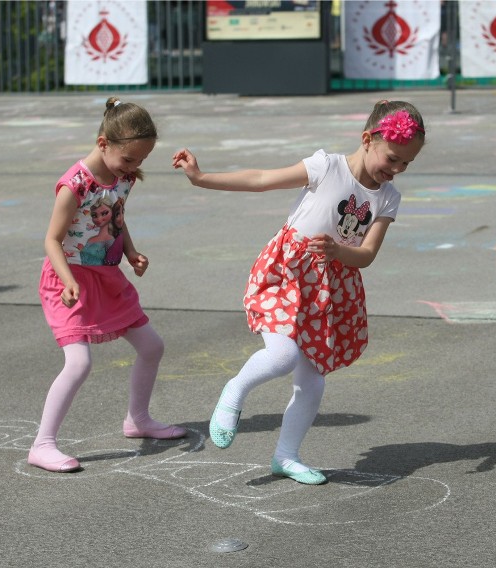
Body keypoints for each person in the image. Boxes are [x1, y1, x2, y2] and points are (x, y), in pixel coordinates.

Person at [172, 100, 426, 485]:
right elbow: (261, 178)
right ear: (367, 140)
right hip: (288, 275)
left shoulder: (388, 197)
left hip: (330, 288)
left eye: (406, 164)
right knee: (283, 353)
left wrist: (340, 252)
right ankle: (235, 389)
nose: (396, 169)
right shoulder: (327, 167)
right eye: (392, 159)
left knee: (314, 380)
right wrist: (201, 177)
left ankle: (286, 456)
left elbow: (368, 255)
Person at [29, 97, 186, 473]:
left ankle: (138, 420)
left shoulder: (122, 178)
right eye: (130, 159)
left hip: (107, 278)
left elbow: (116, 217)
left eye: (141, 161)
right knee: (79, 362)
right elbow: (52, 240)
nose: (134, 168)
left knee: (152, 346)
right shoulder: (74, 184)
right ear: (103, 143)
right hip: (70, 282)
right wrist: (68, 281)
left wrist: (131, 252)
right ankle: (42, 444)